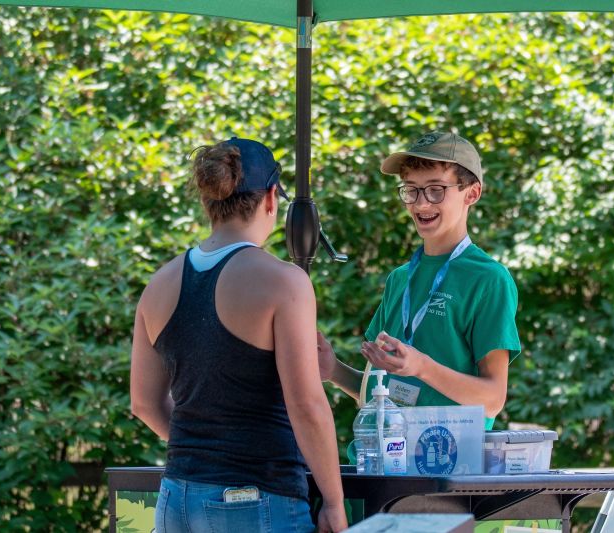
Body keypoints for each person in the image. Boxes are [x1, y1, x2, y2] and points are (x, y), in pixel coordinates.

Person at [130, 137, 347, 533]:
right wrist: (333, 502)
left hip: (174, 499)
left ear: (209, 202)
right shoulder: (284, 282)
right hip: (257, 498)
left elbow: (144, 404)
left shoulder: (158, 284)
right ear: (270, 199)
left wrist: (204, 453)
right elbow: (306, 404)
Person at [318, 131, 521, 430]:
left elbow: (492, 399)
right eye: (411, 190)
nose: (421, 204)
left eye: (436, 190)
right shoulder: (400, 279)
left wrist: (422, 367)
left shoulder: (489, 279)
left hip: (446, 466)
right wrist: (333, 370)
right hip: (385, 461)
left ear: (472, 193)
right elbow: (382, 393)